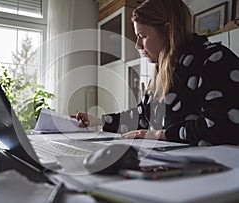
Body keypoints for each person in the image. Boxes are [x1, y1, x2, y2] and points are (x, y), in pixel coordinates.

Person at [72, 0, 239, 146]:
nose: (137, 45)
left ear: (167, 31)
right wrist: (97, 120)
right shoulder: (164, 70)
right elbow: (142, 117)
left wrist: (159, 134)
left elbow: (222, 125)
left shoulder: (214, 59)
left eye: (142, 36)